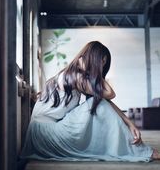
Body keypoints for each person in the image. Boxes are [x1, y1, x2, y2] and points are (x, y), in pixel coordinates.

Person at [21, 41, 160, 161]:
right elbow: (111, 93)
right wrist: (96, 72)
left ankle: (135, 147)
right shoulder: (73, 76)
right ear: (92, 59)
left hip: (46, 131)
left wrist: (129, 123)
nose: (102, 67)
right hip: (45, 134)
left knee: (99, 104)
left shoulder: (78, 75)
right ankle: (141, 150)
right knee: (97, 106)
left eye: (104, 63)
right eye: (101, 62)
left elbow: (105, 101)